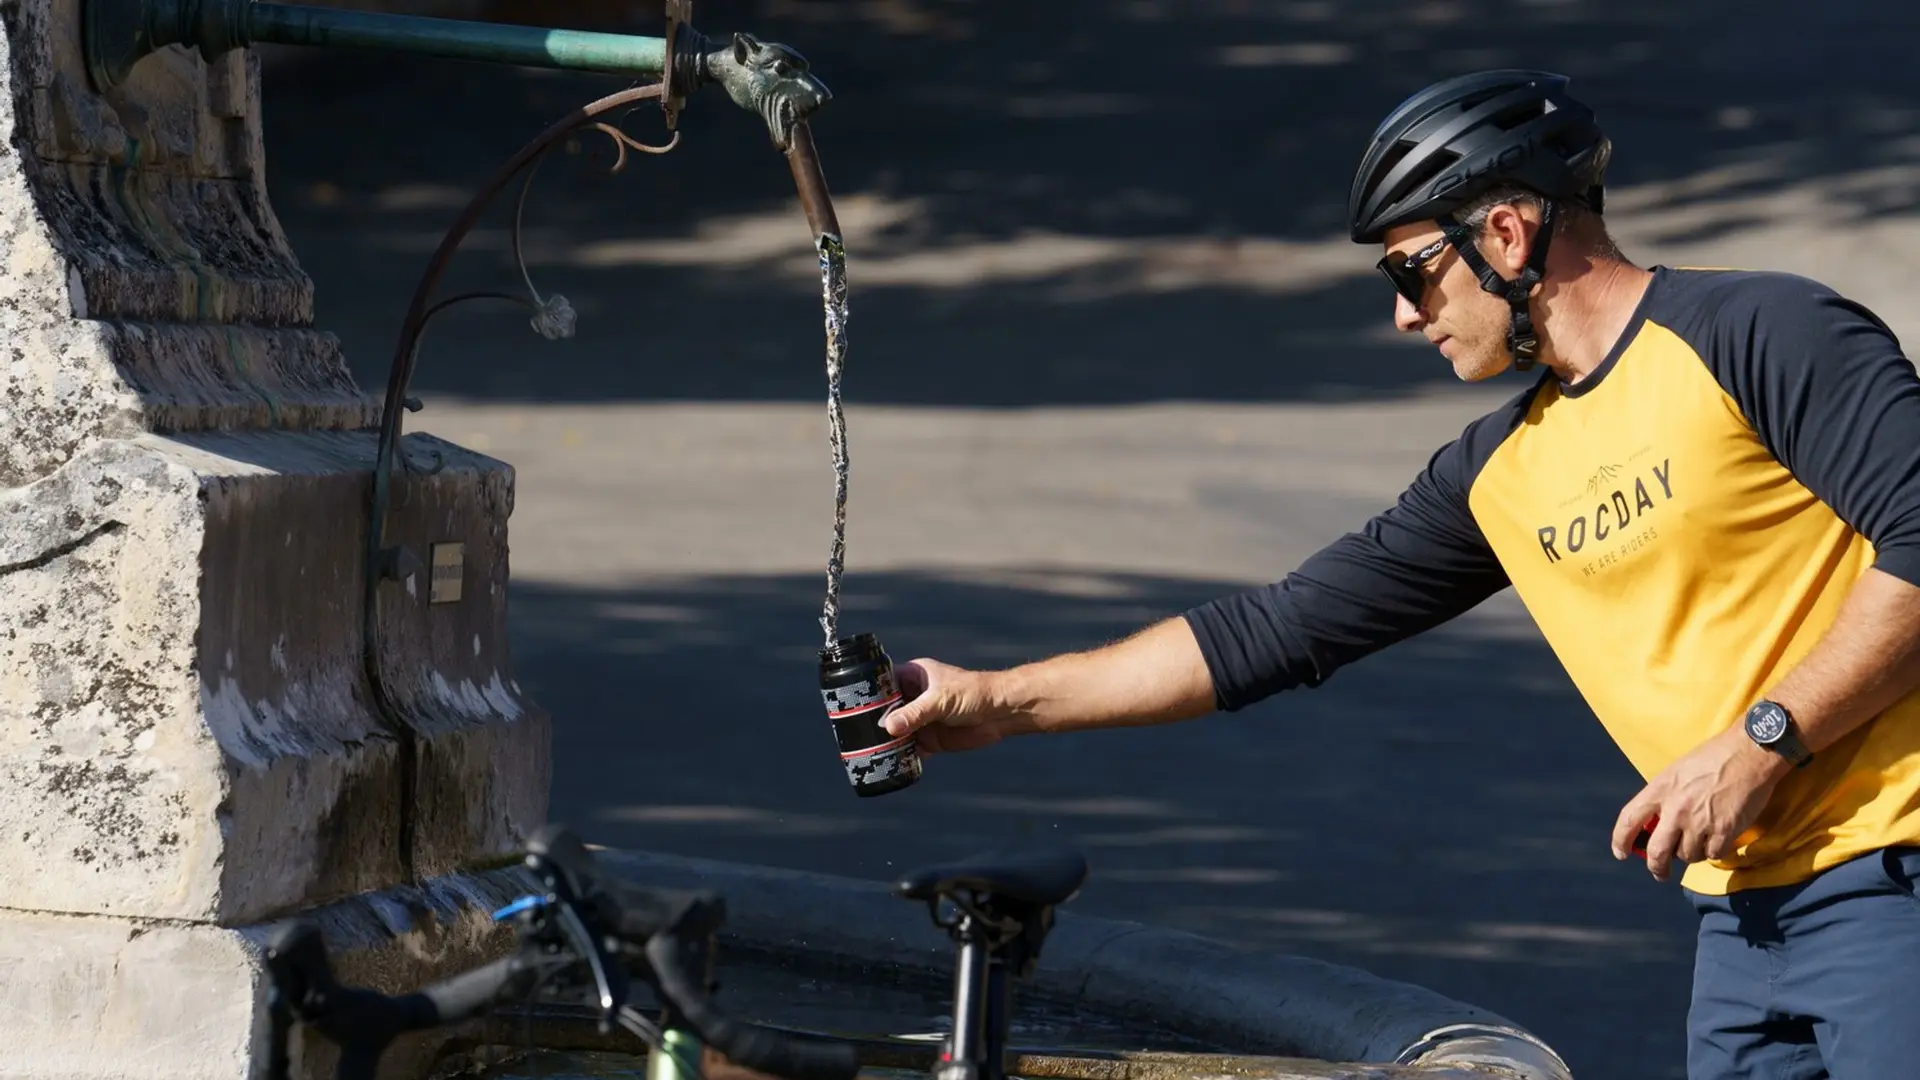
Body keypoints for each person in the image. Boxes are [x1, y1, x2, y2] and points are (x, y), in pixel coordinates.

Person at [878, 70, 1920, 1080]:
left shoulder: (1761, 333)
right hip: (1741, 923)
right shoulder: (1501, 472)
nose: (1405, 315)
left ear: (1507, 233)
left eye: (1411, 269)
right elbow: (1273, 632)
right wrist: (996, 701)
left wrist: (1759, 742)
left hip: (1897, 872)